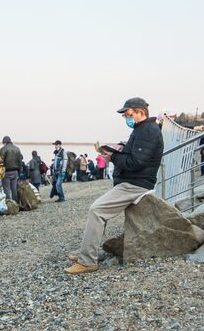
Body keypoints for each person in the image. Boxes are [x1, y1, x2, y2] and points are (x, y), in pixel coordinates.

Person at [65, 97, 163, 274]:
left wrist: (113, 157)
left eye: (128, 114)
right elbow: (136, 155)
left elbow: (136, 162)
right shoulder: (142, 129)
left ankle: (87, 261)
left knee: (96, 210)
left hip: (135, 184)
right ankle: (86, 253)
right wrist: (118, 149)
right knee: (98, 211)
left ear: (141, 112)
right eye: (125, 115)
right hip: (133, 181)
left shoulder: (148, 131)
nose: (126, 118)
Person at [0, 136, 23, 201]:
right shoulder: (17, 148)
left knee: (6, 189)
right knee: (14, 189)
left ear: (4, 142)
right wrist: (19, 171)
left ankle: (9, 204)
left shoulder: (3, 149)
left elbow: (1, 161)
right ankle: (16, 203)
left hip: (6, 172)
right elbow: (20, 161)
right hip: (15, 172)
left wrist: (0, 172)